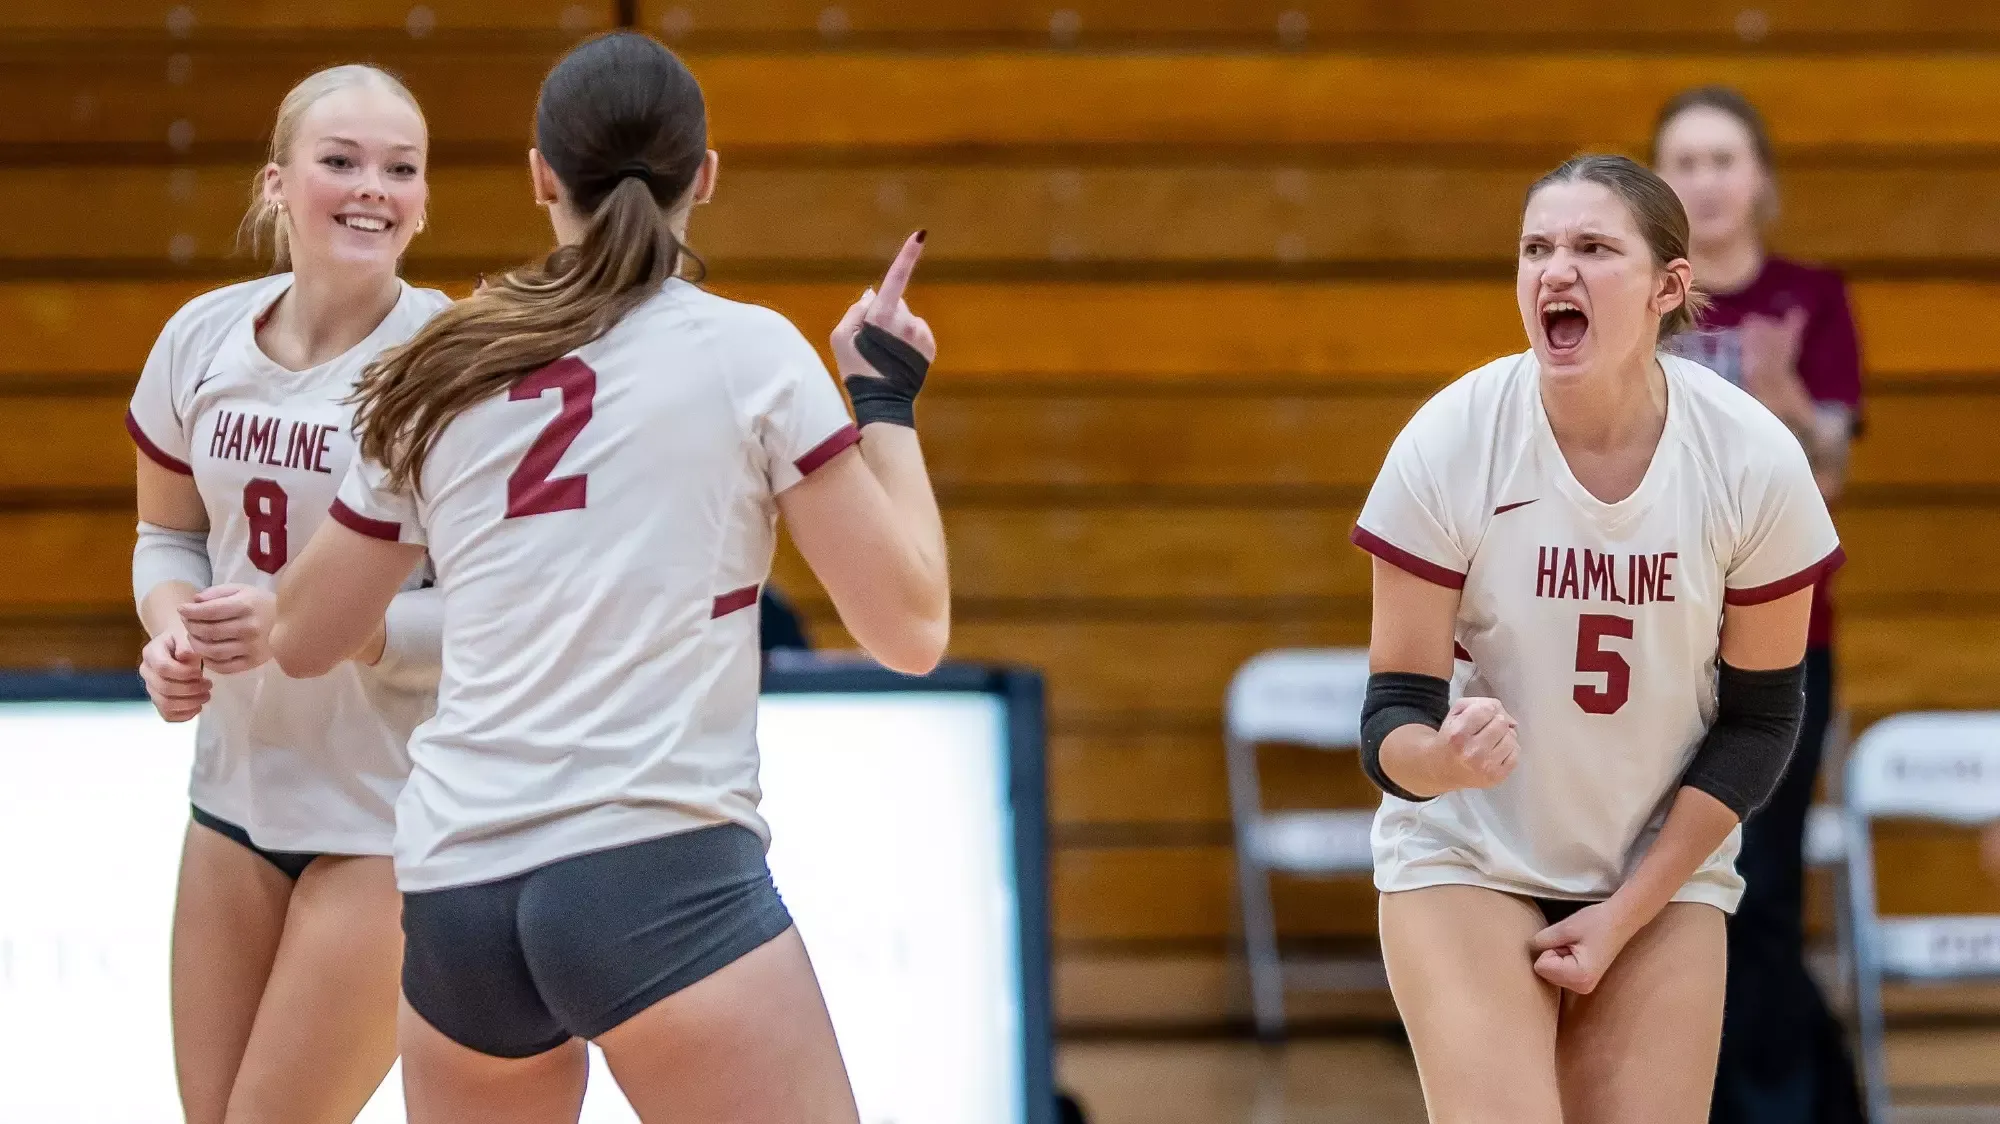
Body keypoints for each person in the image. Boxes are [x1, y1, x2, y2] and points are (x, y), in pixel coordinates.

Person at [266, 31, 949, 1124]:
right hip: (655, 872)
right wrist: (883, 402)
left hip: (456, 895)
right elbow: (909, 628)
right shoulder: (752, 354)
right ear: (705, 177)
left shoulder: (437, 363)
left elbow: (302, 637)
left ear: (541, 176)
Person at [1349, 154, 1842, 1124]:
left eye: (1589, 247)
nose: (1552, 271)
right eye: (1534, 248)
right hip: (1468, 856)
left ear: (1667, 285)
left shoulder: (1749, 460)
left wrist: (1625, 911)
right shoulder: (1449, 439)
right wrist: (1439, 758)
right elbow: (1388, 719)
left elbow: (1758, 721)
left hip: (1655, 867)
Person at [125, 65, 447, 1123]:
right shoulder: (201, 338)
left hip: (387, 818)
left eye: (400, 168)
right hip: (232, 802)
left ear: (423, 199)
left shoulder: (450, 363)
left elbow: (505, 615)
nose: (372, 188)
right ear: (277, 183)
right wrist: (171, 632)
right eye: (341, 160)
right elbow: (165, 535)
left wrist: (329, 630)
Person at [1652, 85, 1869, 1124]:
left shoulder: (1809, 297)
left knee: (1764, 884)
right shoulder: (1633, 294)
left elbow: (1826, 479)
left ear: (1760, 179)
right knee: (1665, 888)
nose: (1702, 179)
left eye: (1720, 158)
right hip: (1651, 638)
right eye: (1681, 161)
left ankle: (1777, 1104)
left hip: (1779, 642)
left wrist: (1784, 405)